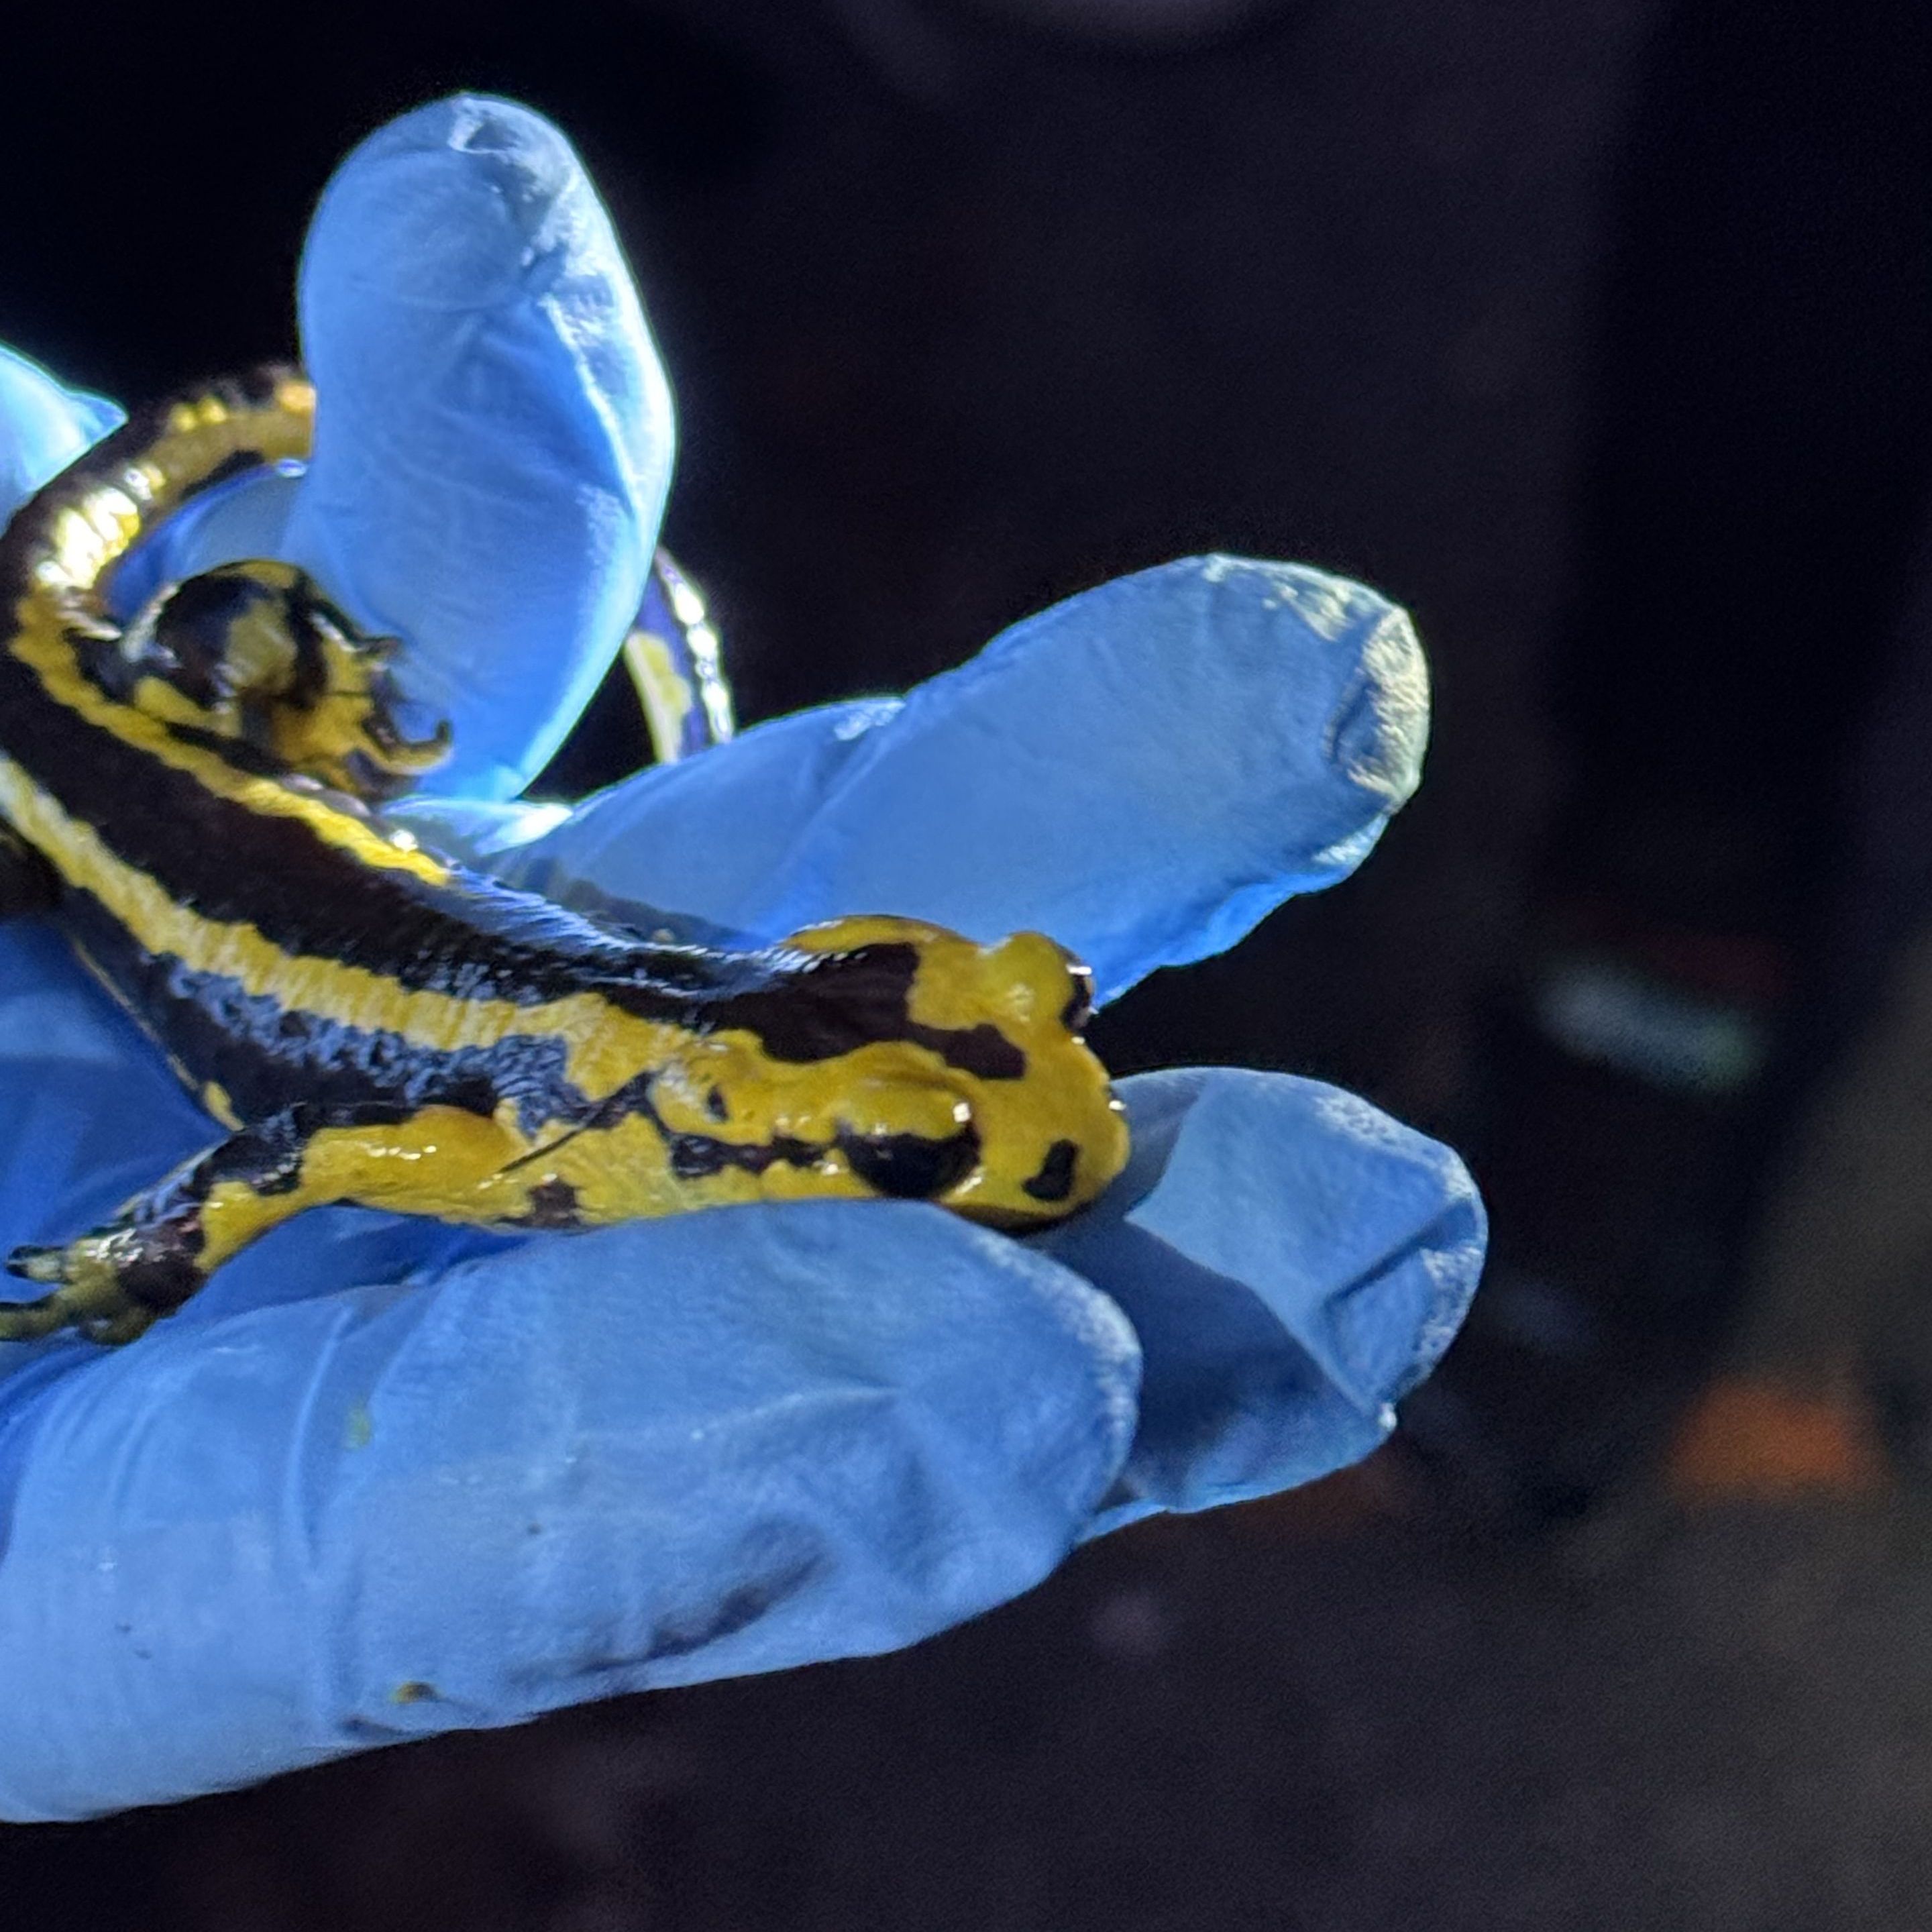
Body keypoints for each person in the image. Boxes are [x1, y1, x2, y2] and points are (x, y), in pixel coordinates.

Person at [0, 96, 1483, 1820]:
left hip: (194, 789)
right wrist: (135, 1265)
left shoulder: (636, 1099)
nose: (1056, 1134)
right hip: (93, 794)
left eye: (1039, 1019)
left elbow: (339, 1133)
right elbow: (304, 1148)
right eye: (916, 1152)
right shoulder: (569, 1131)